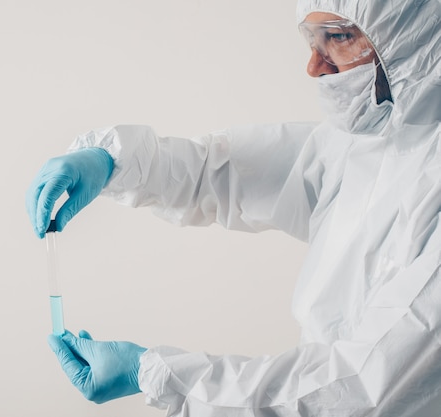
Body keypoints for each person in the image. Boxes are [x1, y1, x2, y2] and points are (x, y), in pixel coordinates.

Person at [26, 0, 441, 415]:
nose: (314, 67)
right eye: (311, 40)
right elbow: (227, 170)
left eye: (337, 36)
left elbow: (362, 391)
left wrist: (152, 373)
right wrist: (111, 162)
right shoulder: (373, 144)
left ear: (415, 38)